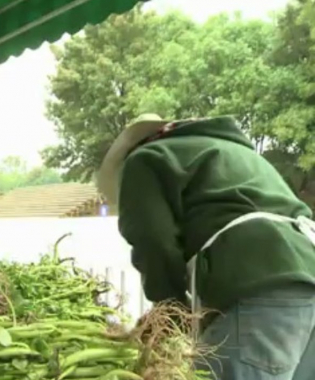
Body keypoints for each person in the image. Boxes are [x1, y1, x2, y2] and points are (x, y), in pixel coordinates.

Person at [97, 114, 315, 380]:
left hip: (262, 283)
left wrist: (169, 312)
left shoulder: (143, 160)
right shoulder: (233, 152)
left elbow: (153, 240)